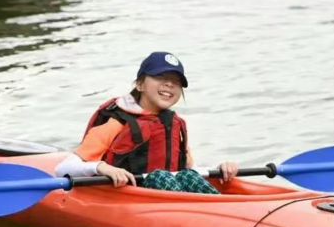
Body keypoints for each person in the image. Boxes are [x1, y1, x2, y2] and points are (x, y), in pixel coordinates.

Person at [55, 51, 238, 192]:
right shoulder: (116, 123)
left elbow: (188, 170)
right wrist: (101, 167)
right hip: (124, 193)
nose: (169, 84)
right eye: (160, 77)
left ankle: (217, 210)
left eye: (176, 81)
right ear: (140, 84)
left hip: (166, 195)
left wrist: (219, 169)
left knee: (187, 176)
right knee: (159, 176)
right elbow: (62, 169)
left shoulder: (176, 124)